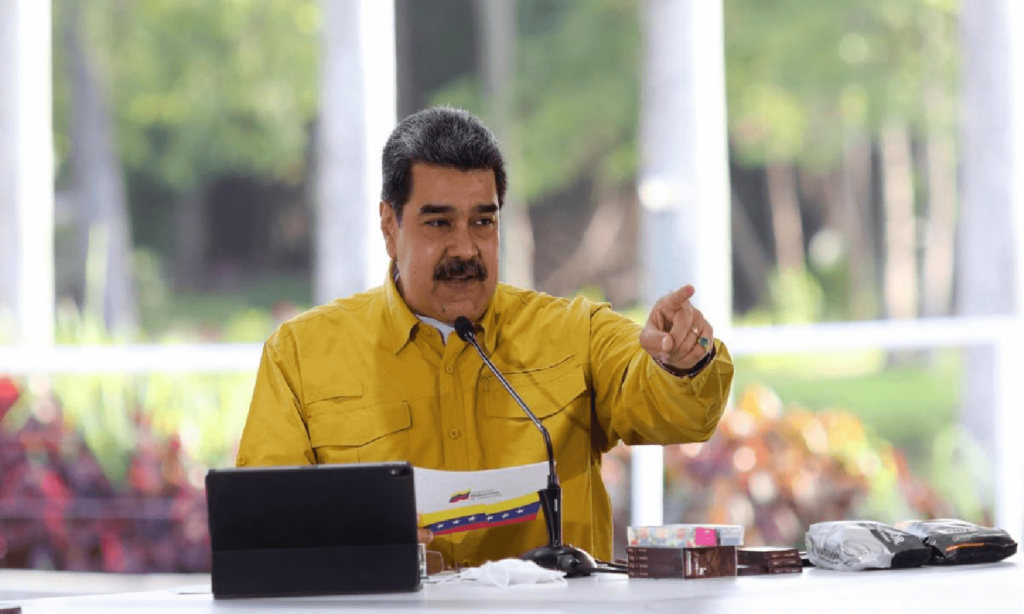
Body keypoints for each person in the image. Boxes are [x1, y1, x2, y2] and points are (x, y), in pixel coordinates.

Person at [236, 106, 734, 568]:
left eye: (483, 221)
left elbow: (680, 416)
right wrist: (350, 540)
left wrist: (682, 362)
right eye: (438, 222)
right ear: (389, 226)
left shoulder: (573, 332)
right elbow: (261, 530)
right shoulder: (300, 355)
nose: (465, 248)